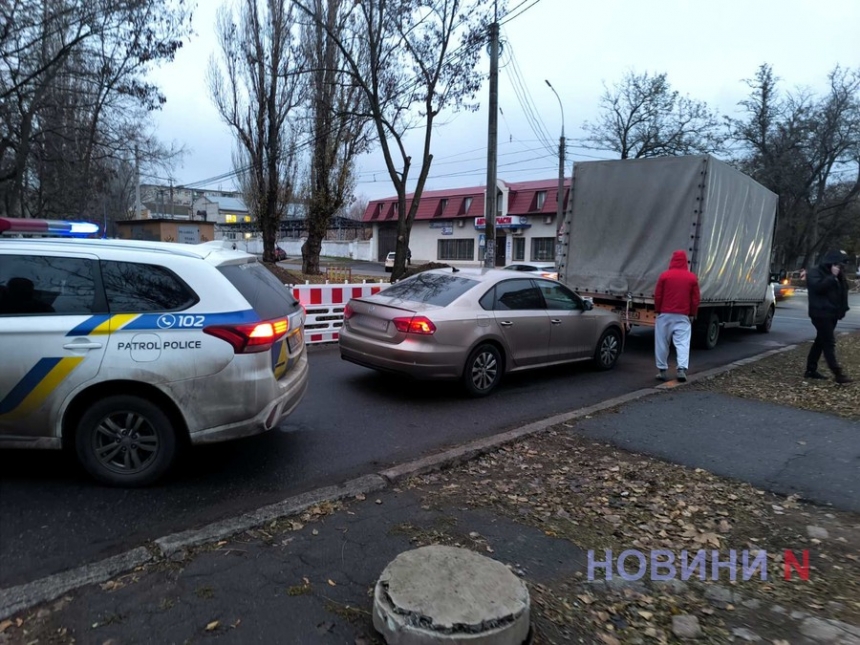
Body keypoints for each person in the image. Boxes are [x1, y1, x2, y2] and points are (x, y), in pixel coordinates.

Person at [804, 250, 852, 383]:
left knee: (820, 341)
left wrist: (842, 309)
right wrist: (832, 276)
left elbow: (843, 291)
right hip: (820, 313)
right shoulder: (815, 272)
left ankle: (810, 370)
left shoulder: (838, 275)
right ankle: (838, 373)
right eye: (840, 264)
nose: (842, 268)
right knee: (828, 342)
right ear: (832, 263)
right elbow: (817, 288)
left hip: (832, 314)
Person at [654, 250, 701, 382]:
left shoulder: (664, 276)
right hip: (682, 315)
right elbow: (695, 299)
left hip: (665, 314)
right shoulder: (692, 278)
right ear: (685, 261)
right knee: (682, 343)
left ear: (672, 261)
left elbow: (658, 295)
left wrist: (658, 309)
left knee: (662, 342)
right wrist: (692, 313)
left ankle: (662, 371)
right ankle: (681, 369)